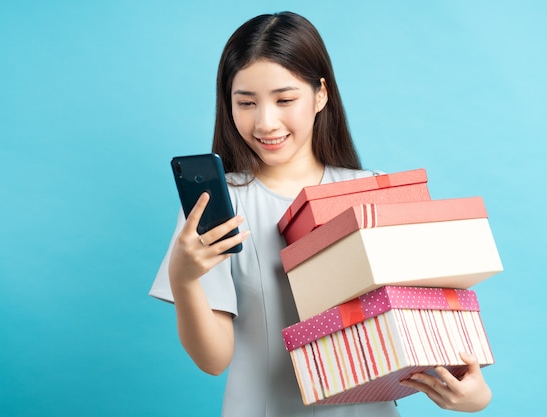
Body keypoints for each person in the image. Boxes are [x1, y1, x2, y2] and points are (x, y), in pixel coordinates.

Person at [150, 11, 492, 417]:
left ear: (320, 95)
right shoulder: (220, 207)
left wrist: (476, 392)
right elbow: (214, 360)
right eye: (246, 102)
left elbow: (421, 313)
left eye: (284, 99)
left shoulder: (373, 192)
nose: (265, 122)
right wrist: (183, 279)